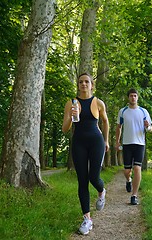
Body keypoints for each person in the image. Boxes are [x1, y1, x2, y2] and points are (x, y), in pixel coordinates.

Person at [62, 73, 109, 235]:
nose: (83, 84)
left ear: (91, 85)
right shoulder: (71, 103)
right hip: (79, 143)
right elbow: (65, 128)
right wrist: (71, 114)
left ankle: (102, 191)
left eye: (86, 81)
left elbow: (105, 121)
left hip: (96, 142)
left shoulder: (98, 102)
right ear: (78, 85)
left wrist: (106, 140)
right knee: (82, 180)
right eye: (81, 82)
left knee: (93, 177)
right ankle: (87, 219)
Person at [115, 88, 152, 205]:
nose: (133, 98)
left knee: (137, 168)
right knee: (127, 170)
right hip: (127, 143)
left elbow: (150, 129)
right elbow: (118, 127)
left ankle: (134, 195)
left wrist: (148, 127)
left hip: (140, 144)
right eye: (131, 96)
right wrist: (117, 141)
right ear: (128, 97)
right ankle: (128, 180)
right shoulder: (123, 111)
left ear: (137, 97)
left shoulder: (143, 111)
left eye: (135, 96)